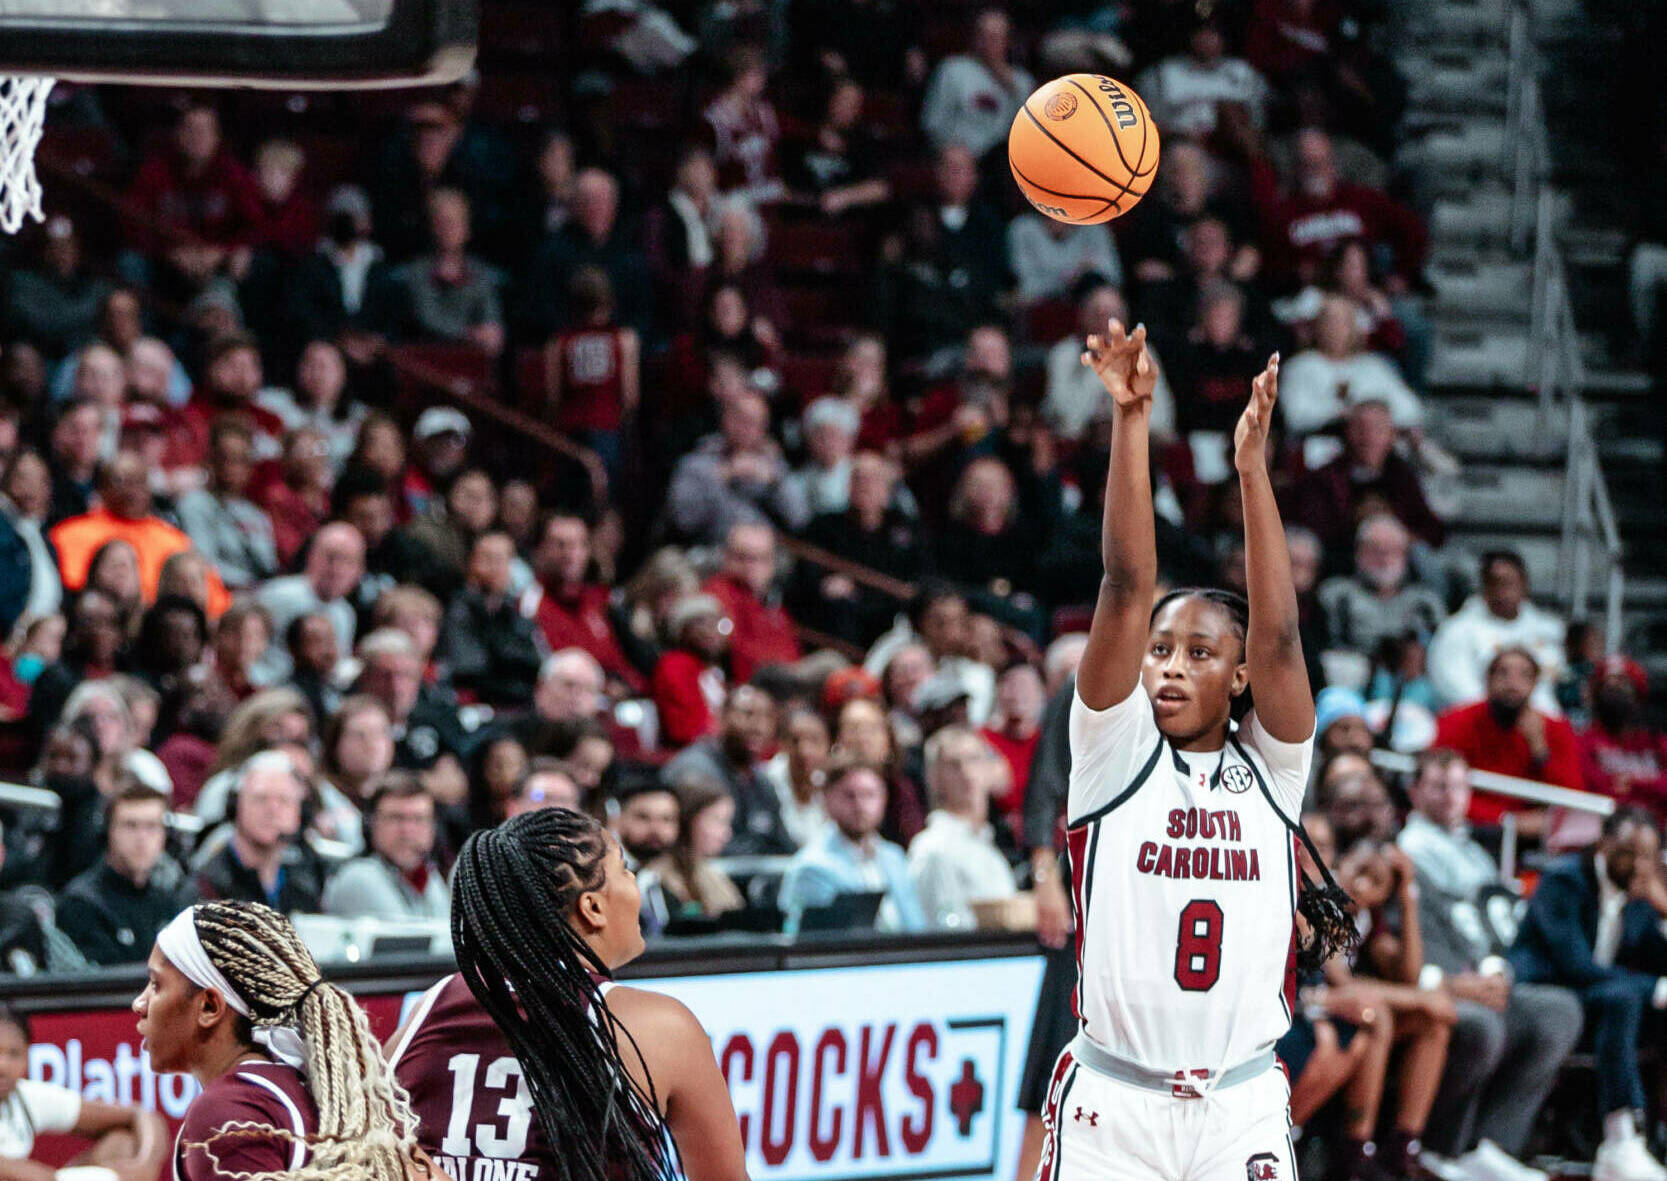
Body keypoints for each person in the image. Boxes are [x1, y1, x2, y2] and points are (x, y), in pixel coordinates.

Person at [1044, 322, 1352, 1181]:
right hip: (1114, 1104)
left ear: (1242, 675)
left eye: (1199, 651)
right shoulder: (1111, 748)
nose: (1170, 665)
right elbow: (1124, 582)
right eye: (1160, 649)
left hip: (1239, 1101)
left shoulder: (1273, 770)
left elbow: (1284, 636)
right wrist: (1132, 418)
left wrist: (1252, 473)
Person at [392, 807, 747, 1181]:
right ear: (592, 908)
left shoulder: (431, 1005)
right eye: (624, 869)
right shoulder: (656, 1025)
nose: (635, 884)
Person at [133, 901, 428, 1181]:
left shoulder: (227, 1110)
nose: (139, 1003)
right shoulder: (328, 1096)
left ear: (210, 1006)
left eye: (156, 985)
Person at [1396, 748, 1583, 1172]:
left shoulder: (1476, 854)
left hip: (1487, 977)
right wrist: (1456, 982)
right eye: (1439, 786)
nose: (1450, 797)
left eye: (1460, 787)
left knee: (1559, 1011)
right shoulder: (1406, 852)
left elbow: (1502, 929)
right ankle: (1440, 1148)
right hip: (1441, 982)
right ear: (1414, 791)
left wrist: (1499, 971)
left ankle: (1492, 1149)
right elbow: (1417, 938)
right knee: (1483, 1025)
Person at [1510, 808, 1667, 1181]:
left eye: (1648, 856)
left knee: (1640, 1003)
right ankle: (1620, 1138)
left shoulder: (1640, 892)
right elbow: (1574, 965)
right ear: (1603, 843)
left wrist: (1664, 907)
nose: (1639, 865)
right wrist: (1654, 988)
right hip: (1548, 993)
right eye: (1630, 851)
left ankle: (1653, 1133)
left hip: (1605, 1003)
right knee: (1627, 997)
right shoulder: (1563, 880)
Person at [0, 1001, 166, 1179]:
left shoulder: (25, 1096)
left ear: (27, 1056)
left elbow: (140, 1114)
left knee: (122, 1144)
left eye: (14, 1054)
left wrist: (145, 1165)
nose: (3, 1066)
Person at [1435, 647, 1581, 833]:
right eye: (1503, 673)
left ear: (1535, 684)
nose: (1513, 683)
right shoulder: (1456, 721)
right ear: (1488, 680)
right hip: (1468, 828)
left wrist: (1541, 751)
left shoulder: (1555, 729)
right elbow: (1437, 786)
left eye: (1524, 675)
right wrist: (1506, 820)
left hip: (1536, 837)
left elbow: (1574, 798)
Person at [778, 750, 926, 934]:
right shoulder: (811, 867)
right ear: (827, 799)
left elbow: (917, 927)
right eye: (849, 795)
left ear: (884, 798)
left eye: (869, 794)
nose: (860, 806)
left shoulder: (894, 857)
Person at [56, 782, 196, 966]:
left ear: (166, 835)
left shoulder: (172, 901)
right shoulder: (81, 904)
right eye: (131, 826)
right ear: (108, 831)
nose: (142, 838)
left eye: (152, 826)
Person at [907, 726, 1017, 929]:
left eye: (974, 759)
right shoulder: (934, 848)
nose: (966, 772)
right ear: (934, 778)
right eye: (953, 764)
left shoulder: (988, 846)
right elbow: (943, 933)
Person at [1427, 550, 1565, 712]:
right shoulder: (1456, 630)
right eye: (1495, 583)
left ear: (1524, 584)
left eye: (1509, 583)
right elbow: (1455, 687)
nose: (1502, 592)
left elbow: (1556, 682)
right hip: (1483, 723)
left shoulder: (1549, 629)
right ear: (1484, 586)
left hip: (1542, 722)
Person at [194, 751, 327, 913]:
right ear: (235, 806)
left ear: (300, 814)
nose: (272, 810)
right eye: (260, 798)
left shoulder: (307, 885)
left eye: (284, 801)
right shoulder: (207, 885)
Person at [322, 774, 450, 921]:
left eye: (419, 819)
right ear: (371, 825)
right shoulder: (359, 877)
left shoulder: (430, 877)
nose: (407, 831)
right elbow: (406, 939)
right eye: (396, 818)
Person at [702, 522, 800, 683]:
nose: (752, 567)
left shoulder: (771, 604)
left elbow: (791, 652)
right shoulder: (716, 595)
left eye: (762, 559)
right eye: (743, 558)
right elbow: (735, 650)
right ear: (726, 557)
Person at [644, 778, 744, 921]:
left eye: (728, 822)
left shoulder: (711, 874)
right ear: (688, 819)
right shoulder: (655, 878)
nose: (727, 833)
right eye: (717, 820)